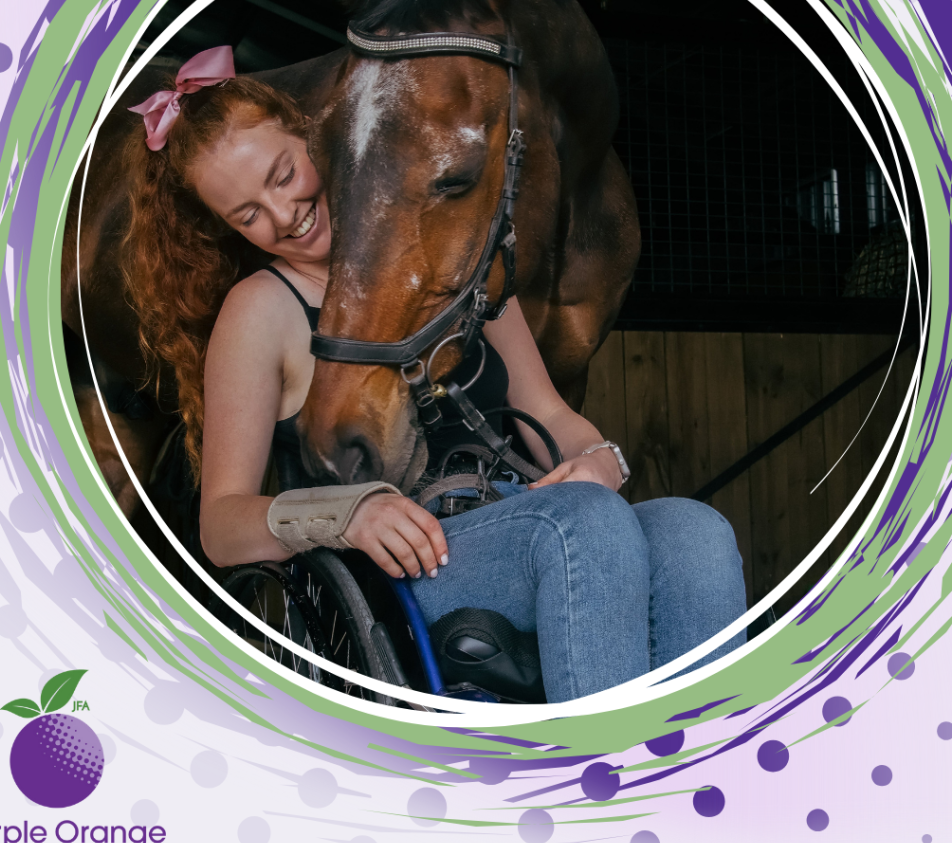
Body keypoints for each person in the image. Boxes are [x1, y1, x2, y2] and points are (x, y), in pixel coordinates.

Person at [122, 47, 747, 704]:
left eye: (282, 176)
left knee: (693, 531)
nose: (282, 217)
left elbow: (550, 413)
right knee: (583, 526)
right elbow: (221, 526)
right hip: (397, 568)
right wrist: (349, 514)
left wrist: (599, 460)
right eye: (246, 215)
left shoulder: (446, 253)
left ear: (317, 136)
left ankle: (690, 780)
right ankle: (598, 785)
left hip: (520, 517)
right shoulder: (259, 311)